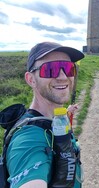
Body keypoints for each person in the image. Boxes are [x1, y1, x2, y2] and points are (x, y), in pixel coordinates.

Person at [6, 41, 84, 187]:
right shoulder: (27, 140)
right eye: (50, 69)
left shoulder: (53, 119)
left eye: (68, 68)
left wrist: (66, 114)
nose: (62, 77)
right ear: (31, 80)